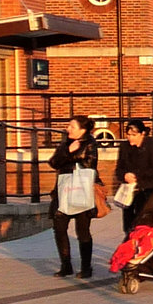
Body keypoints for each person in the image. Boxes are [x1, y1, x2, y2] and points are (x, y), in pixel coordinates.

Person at [48, 115, 102, 280]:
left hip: (81, 191)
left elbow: (89, 165)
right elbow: (53, 162)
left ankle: (86, 267)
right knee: (59, 227)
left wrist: (69, 156)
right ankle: (66, 265)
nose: (68, 129)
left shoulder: (91, 144)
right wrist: (68, 152)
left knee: (82, 230)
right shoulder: (66, 144)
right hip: (63, 190)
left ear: (82, 129)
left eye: (72, 126)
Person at [114, 118, 153, 235]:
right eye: (129, 135)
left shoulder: (152, 146)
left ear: (142, 134)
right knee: (129, 225)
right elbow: (119, 168)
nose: (130, 138)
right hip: (129, 192)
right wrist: (125, 175)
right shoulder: (124, 147)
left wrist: (137, 176)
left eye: (134, 135)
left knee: (144, 223)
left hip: (147, 189)